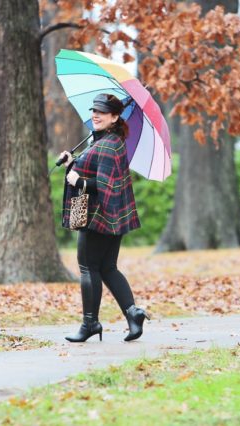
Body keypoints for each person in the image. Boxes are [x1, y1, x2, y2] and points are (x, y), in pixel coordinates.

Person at [57, 93, 149, 343]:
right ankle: (133, 313)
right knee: (107, 267)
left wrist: (79, 181)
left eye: (102, 112)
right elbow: (96, 170)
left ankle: (90, 324)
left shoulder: (108, 144)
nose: (95, 115)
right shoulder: (107, 141)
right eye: (93, 110)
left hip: (99, 216)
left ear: (115, 117)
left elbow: (105, 185)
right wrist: (71, 164)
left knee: (88, 267)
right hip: (109, 215)